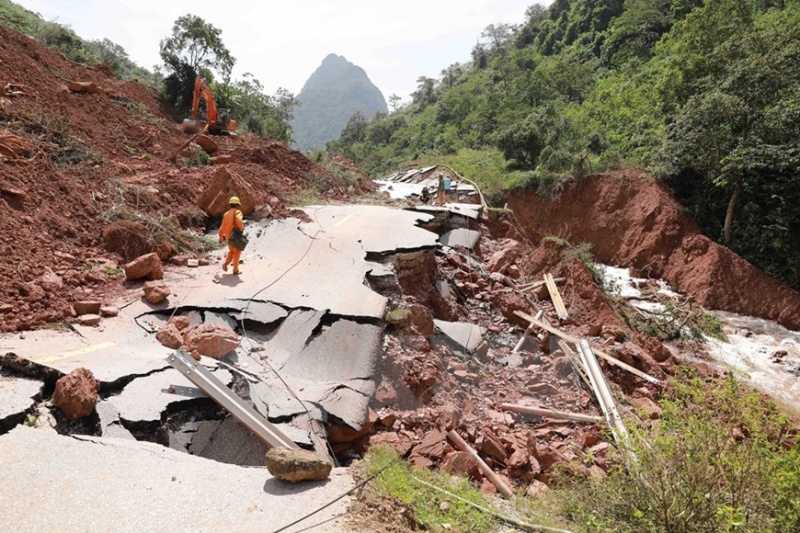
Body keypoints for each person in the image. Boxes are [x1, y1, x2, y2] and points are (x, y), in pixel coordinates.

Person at [219, 196, 244, 275]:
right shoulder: (237, 212)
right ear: (237, 205)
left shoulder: (226, 214)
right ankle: (235, 270)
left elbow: (222, 226)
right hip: (235, 235)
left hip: (227, 236)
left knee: (232, 251)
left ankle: (226, 263)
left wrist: (220, 236)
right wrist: (241, 228)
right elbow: (239, 221)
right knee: (237, 252)